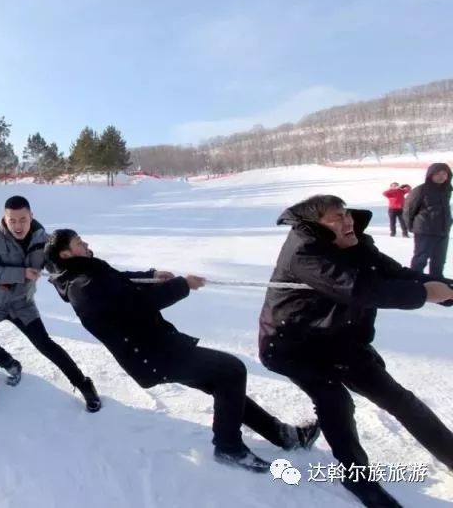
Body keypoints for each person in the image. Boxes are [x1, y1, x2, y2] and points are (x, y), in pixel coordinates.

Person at [45, 229, 318, 473]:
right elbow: (137, 303)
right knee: (232, 370)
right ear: (67, 253)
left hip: (157, 349)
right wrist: (182, 285)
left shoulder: (85, 274)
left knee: (223, 381)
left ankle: (281, 436)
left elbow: (119, 282)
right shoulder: (85, 286)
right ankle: (228, 447)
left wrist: (151, 276)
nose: (86, 243)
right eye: (79, 242)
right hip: (153, 356)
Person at [260, 194, 453, 507]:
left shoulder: (357, 244)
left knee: (400, 399)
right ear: (315, 224)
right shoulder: (305, 252)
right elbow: (361, 290)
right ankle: (357, 479)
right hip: (292, 345)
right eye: (335, 217)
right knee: (335, 400)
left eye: (346, 214)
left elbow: (395, 274)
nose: (347, 221)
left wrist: (445, 289)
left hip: (341, 341)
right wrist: (423, 294)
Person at [0, 196, 100, 412]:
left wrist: (83, 258)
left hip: (22, 304)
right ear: (4, 218)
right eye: (12, 220)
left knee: (45, 345)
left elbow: (60, 263)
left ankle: (84, 384)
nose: (18, 225)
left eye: (23, 219)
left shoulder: (44, 241)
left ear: (32, 216)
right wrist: (21, 273)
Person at [405, 163, 452, 278]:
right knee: (421, 259)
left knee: (439, 259)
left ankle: (437, 281)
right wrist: (410, 226)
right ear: (430, 175)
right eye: (437, 174)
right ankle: (415, 282)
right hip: (424, 231)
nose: (441, 176)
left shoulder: (447, 190)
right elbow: (409, 209)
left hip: (443, 231)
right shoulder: (421, 190)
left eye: (444, 174)